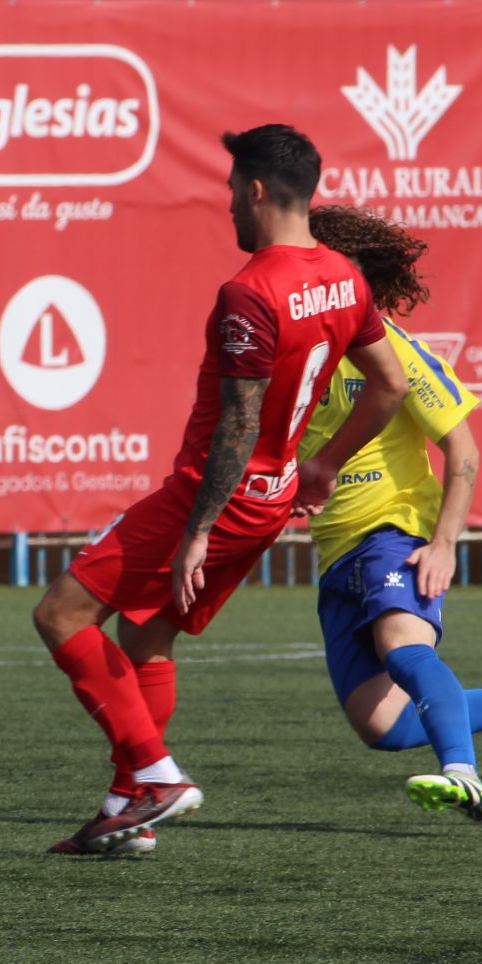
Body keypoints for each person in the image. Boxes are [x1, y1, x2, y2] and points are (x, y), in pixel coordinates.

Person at [34, 124, 409, 857]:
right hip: (269, 502)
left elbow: (237, 424)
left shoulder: (251, 290)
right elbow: (389, 386)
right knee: (148, 634)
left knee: (60, 614)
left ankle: (157, 775)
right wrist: (323, 466)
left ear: (259, 190)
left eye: (233, 189)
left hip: (215, 496)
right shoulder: (342, 276)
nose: (229, 203)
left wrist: (198, 528)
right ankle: (125, 806)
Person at [294, 206, 482, 825]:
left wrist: (444, 543)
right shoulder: (297, 356)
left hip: (396, 532)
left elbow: (462, 449)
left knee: (402, 646)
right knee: (381, 728)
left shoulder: (395, 352)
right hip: (335, 554)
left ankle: (463, 774)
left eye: (341, 276)